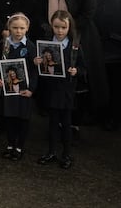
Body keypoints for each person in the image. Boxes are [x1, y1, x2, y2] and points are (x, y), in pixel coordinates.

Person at [34, 10, 82, 170]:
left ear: (69, 27)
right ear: (51, 26)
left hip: (67, 90)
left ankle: (67, 154)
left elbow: (84, 67)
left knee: (66, 123)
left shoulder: (74, 46)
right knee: (53, 122)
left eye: (63, 27)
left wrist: (77, 71)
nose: (60, 31)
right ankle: (51, 151)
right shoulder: (46, 43)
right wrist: (37, 61)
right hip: (51, 89)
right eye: (56, 27)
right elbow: (40, 64)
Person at [0, 13, 37, 162]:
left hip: (23, 91)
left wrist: (31, 89)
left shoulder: (30, 47)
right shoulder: (4, 44)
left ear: (27, 29)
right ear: (9, 28)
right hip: (8, 90)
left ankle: (19, 146)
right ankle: (10, 144)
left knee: (22, 118)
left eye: (21, 28)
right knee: (10, 117)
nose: (18, 31)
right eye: (14, 28)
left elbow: (34, 71)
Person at [95, 0, 121, 130]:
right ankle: (101, 115)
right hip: (98, 47)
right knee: (100, 84)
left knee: (117, 86)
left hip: (117, 48)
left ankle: (116, 118)